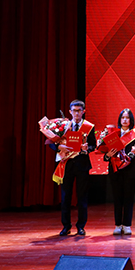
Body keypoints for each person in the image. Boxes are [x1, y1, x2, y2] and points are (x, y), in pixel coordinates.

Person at [51, 100, 96, 236]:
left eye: (79, 110)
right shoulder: (63, 126)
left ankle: (81, 226)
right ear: (70, 112)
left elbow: (93, 145)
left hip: (82, 165)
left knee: (82, 197)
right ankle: (66, 226)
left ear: (83, 111)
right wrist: (59, 147)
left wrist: (87, 149)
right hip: (67, 165)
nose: (76, 113)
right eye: (74, 111)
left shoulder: (88, 127)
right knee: (65, 197)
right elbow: (52, 142)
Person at [104, 109, 135, 235]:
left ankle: (127, 225)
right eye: (123, 117)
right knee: (117, 199)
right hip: (115, 171)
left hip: (130, 171)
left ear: (131, 120)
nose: (125, 120)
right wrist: (108, 155)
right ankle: (118, 225)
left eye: (127, 118)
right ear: (119, 120)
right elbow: (105, 154)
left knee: (128, 198)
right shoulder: (112, 134)